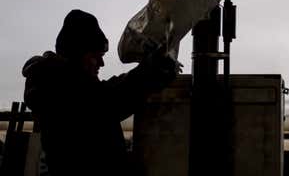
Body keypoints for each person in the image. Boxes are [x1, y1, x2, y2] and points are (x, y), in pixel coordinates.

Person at [22, 9, 178, 176]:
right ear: (77, 54)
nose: (102, 63)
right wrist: (152, 71)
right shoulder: (56, 87)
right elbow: (108, 100)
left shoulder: (63, 84)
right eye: (96, 55)